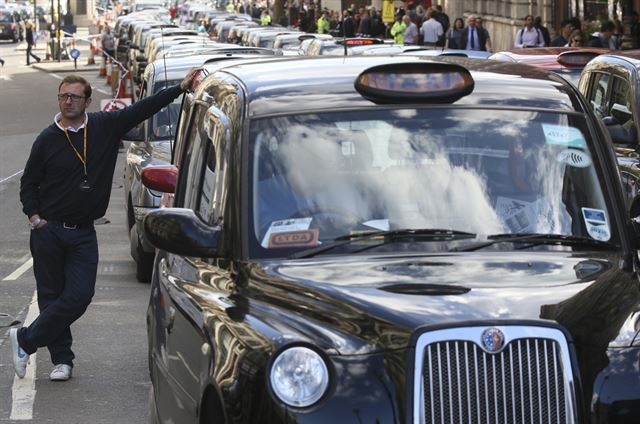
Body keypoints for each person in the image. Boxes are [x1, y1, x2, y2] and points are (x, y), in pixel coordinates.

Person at [11, 68, 202, 382]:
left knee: (79, 295)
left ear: (87, 101)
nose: (67, 101)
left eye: (74, 96)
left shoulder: (104, 126)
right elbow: (28, 184)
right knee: (50, 296)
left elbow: (144, 108)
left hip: (83, 232)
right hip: (49, 232)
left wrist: (180, 88)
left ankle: (26, 340)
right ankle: (62, 360)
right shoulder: (47, 139)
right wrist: (35, 219)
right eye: (63, 96)